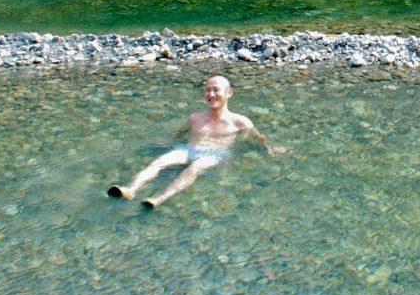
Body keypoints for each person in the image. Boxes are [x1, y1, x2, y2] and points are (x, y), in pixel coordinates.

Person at [108, 75, 287, 209]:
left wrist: (270, 148)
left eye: (216, 89)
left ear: (229, 93)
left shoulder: (240, 122)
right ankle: (130, 190)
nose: (211, 94)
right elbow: (180, 133)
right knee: (159, 162)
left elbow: (259, 137)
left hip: (215, 154)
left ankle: (158, 199)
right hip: (189, 149)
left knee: (195, 168)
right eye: (208, 90)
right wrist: (164, 142)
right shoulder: (195, 118)